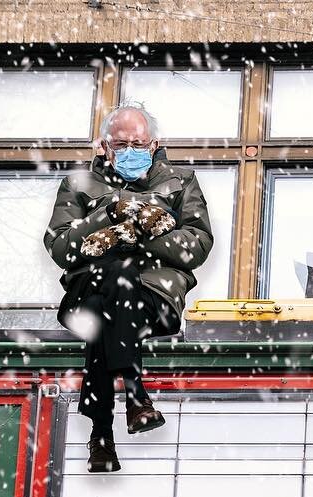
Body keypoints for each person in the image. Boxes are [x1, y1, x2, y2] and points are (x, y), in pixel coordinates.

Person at [44, 101, 213, 473]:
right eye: (121, 145)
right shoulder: (78, 184)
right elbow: (58, 246)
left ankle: (101, 434)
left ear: (154, 144)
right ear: (103, 146)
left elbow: (198, 243)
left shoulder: (180, 181)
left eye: (138, 144)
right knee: (111, 288)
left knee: (110, 301)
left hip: (155, 299)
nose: (131, 152)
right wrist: (108, 214)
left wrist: (134, 235)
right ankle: (135, 397)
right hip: (86, 297)